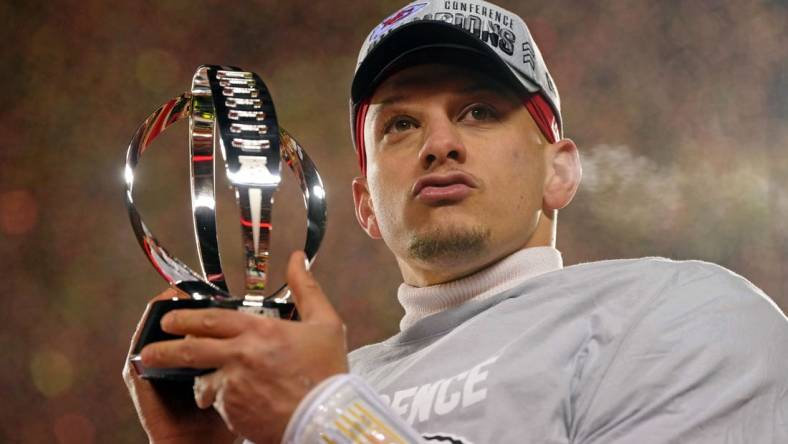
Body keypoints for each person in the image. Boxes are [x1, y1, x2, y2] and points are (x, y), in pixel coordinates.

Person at [123, 0, 788, 443]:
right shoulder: (327, 377)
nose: (439, 143)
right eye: (402, 124)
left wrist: (327, 419)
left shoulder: (679, 316)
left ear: (559, 171)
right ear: (364, 207)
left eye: (479, 111)